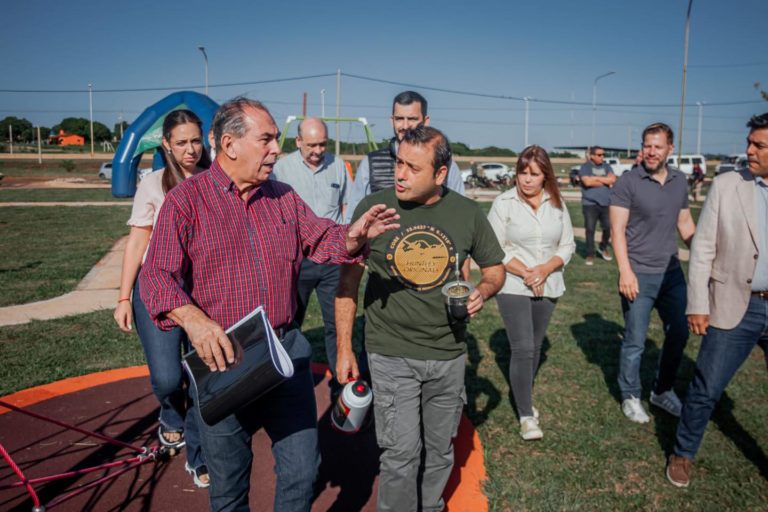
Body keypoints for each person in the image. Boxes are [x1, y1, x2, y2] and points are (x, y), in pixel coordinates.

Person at [139, 97, 399, 512]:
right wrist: (193, 320)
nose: (277, 149)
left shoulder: (283, 196)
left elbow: (322, 238)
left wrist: (354, 235)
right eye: (267, 139)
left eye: (277, 139)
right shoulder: (186, 201)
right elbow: (154, 277)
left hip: (284, 352)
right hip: (222, 359)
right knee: (228, 486)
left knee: (301, 471)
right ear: (230, 144)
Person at [335, 126, 505, 512]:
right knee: (400, 454)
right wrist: (345, 347)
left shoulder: (466, 213)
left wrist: (482, 291)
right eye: (398, 162)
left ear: (440, 174)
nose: (400, 174)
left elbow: (495, 269)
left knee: (441, 450)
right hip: (390, 351)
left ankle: (430, 507)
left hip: (448, 354)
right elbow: (347, 283)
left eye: (413, 167)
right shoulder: (374, 209)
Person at [666, 113, 768, 487]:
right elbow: (703, 247)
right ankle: (682, 453)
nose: (749, 150)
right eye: (750, 142)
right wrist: (697, 303)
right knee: (707, 387)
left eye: (759, 145)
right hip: (732, 302)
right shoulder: (728, 185)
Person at [113, 109, 211, 487]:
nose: (190, 149)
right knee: (169, 380)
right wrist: (124, 298)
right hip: (157, 288)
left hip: (203, 290)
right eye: (182, 142)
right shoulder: (154, 184)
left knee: (204, 379)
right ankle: (171, 413)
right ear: (166, 144)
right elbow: (137, 240)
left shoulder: (213, 180)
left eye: (195, 141)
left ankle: (199, 456)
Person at [610, 122, 696, 423]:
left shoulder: (679, 181)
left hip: (672, 273)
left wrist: (706, 253)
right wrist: (625, 272)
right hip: (639, 273)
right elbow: (617, 231)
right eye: (647, 145)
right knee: (635, 338)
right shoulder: (628, 182)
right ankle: (630, 395)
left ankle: (662, 391)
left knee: (680, 332)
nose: (651, 151)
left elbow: (685, 225)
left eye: (657, 146)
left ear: (670, 149)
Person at [487, 145, 575, 441]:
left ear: (545, 175)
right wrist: (527, 272)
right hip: (513, 283)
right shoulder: (503, 203)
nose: (526, 179)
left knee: (535, 347)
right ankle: (526, 415)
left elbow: (567, 245)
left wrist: (545, 269)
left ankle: (524, 394)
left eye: (533, 174)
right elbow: (495, 247)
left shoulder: (557, 203)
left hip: (548, 283)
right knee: (523, 347)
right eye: (522, 173)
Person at [272, 117, 349, 399]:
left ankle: (341, 383)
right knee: (290, 323)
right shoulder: (281, 170)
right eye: (312, 145)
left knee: (337, 324)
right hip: (298, 259)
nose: (318, 150)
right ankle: (285, 380)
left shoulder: (337, 165)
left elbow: (345, 207)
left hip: (332, 261)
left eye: (323, 144)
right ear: (299, 142)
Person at [344, 90, 465, 223]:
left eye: (412, 119)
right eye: (399, 119)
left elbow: (460, 214)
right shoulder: (370, 163)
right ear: (392, 120)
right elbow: (353, 217)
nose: (405, 126)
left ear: (426, 121)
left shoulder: (446, 164)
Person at [578, 146, 616, 265]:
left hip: (606, 203)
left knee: (608, 227)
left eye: (603, 154)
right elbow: (587, 182)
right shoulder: (585, 167)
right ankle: (590, 254)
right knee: (590, 229)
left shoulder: (607, 166)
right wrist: (604, 180)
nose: (602, 157)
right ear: (592, 156)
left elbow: (612, 180)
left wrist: (595, 178)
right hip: (590, 203)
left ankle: (603, 247)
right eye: (599, 155)